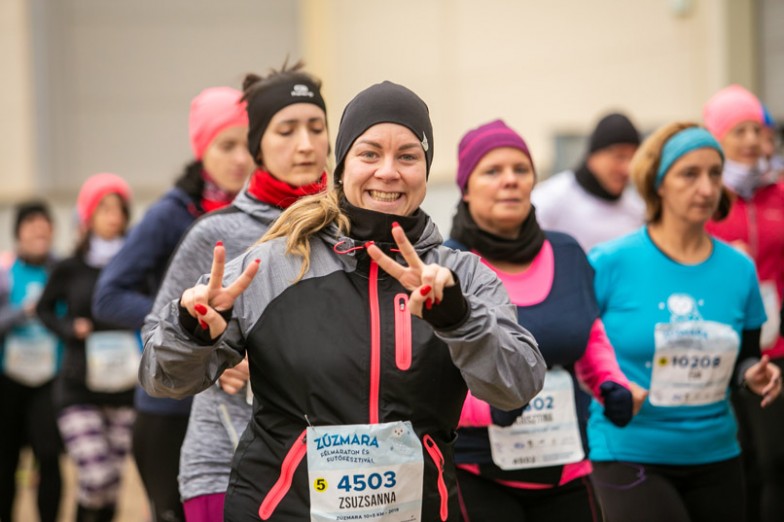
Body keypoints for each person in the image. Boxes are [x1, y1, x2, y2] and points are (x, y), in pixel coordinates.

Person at [140, 81, 546, 521]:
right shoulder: (273, 266)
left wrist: (459, 319)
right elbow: (164, 380)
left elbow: (517, 387)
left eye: (408, 156)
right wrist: (192, 332)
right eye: (369, 154)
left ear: (426, 171)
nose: (388, 172)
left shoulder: (461, 277)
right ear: (342, 166)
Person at [142, 61, 332, 521]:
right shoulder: (217, 232)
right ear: (257, 146)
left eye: (316, 127)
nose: (305, 144)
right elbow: (155, 348)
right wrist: (206, 346)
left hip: (334, 469)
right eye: (286, 130)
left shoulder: (348, 229)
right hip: (225, 468)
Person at [586, 121, 782, 522]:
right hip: (629, 452)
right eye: (689, 174)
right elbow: (579, 350)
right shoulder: (609, 262)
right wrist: (611, 385)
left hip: (716, 454)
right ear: (658, 182)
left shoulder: (739, 269)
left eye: (715, 174)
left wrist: (752, 374)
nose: (707, 189)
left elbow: (744, 358)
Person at [445, 119, 640, 522]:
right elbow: (428, 379)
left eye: (521, 169)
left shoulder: (567, 252)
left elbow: (589, 336)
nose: (510, 180)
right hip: (477, 472)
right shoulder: (446, 266)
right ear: (465, 188)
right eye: (492, 171)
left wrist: (611, 384)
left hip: (566, 464)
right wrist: (494, 403)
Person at [91, 86, 252, 522]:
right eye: (227, 145)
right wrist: (187, 326)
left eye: (248, 144)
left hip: (235, 407)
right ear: (202, 150)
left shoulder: (263, 216)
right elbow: (108, 296)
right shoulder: (171, 214)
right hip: (169, 412)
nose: (241, 158)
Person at [702, 84, 784, 522]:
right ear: (717, 139)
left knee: (775, 459)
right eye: (739, 131)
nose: (752, 140)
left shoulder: (778, 193)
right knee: (740, 459)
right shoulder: (706, 196)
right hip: (717, 344)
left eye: (757, 129)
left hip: (774, 342)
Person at [37, 173, 136, 522]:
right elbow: (44, 309)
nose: (113, 216)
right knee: (97, 478)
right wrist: (69, 328)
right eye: (104, 208)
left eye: (119, 209)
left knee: (111, 488)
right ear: (88, 214)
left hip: (123, 385)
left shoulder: (135, 264)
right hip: (78, 385)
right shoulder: (70, 267)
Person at [0, 201, 63, 522]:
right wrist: (23, 312)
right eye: (31, 224)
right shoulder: (5, 274)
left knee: (49, 457)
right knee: (5, 461)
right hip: (8, 379)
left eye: (44, 224)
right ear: (18, 233)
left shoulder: (62, 272)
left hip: (50, 379)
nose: (39, 230)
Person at [532, 112, 644, 252]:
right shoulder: (550, 198)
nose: (627, 169)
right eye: (619, 157)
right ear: (593, 155)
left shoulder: (638, 209)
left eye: (633, 159)